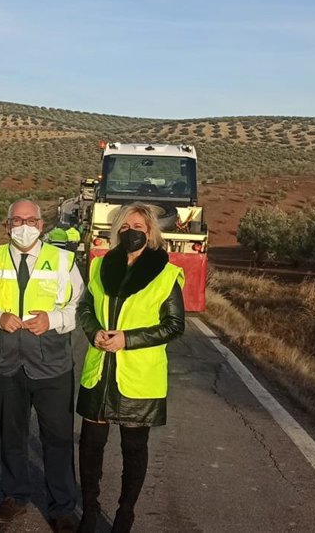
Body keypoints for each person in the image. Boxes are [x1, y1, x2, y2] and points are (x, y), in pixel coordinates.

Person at [75, 202, 185, 533]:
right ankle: (89, 511)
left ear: (150, 233)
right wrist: (94, 331)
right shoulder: (100, 267)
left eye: (138, 227)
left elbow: (174, 325)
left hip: (138, 378)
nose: (130, 232)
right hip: (99, 372)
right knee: (90, 447)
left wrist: (128, 339)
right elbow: (85, 308)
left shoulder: (165, 274)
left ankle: (125, 515)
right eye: (124, 227)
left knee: (133, 450)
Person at [0, 200, 83, 532]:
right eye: (16, 220)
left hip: (52, 366)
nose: (23, 226)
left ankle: (62, 508)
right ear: (6, 225)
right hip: (5, 365)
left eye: (30, 220)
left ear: (41, 225)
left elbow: (80, 306)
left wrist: (53, 319)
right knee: (11, 434)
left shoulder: (64, 261)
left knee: (58, 439)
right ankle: (14, 495)